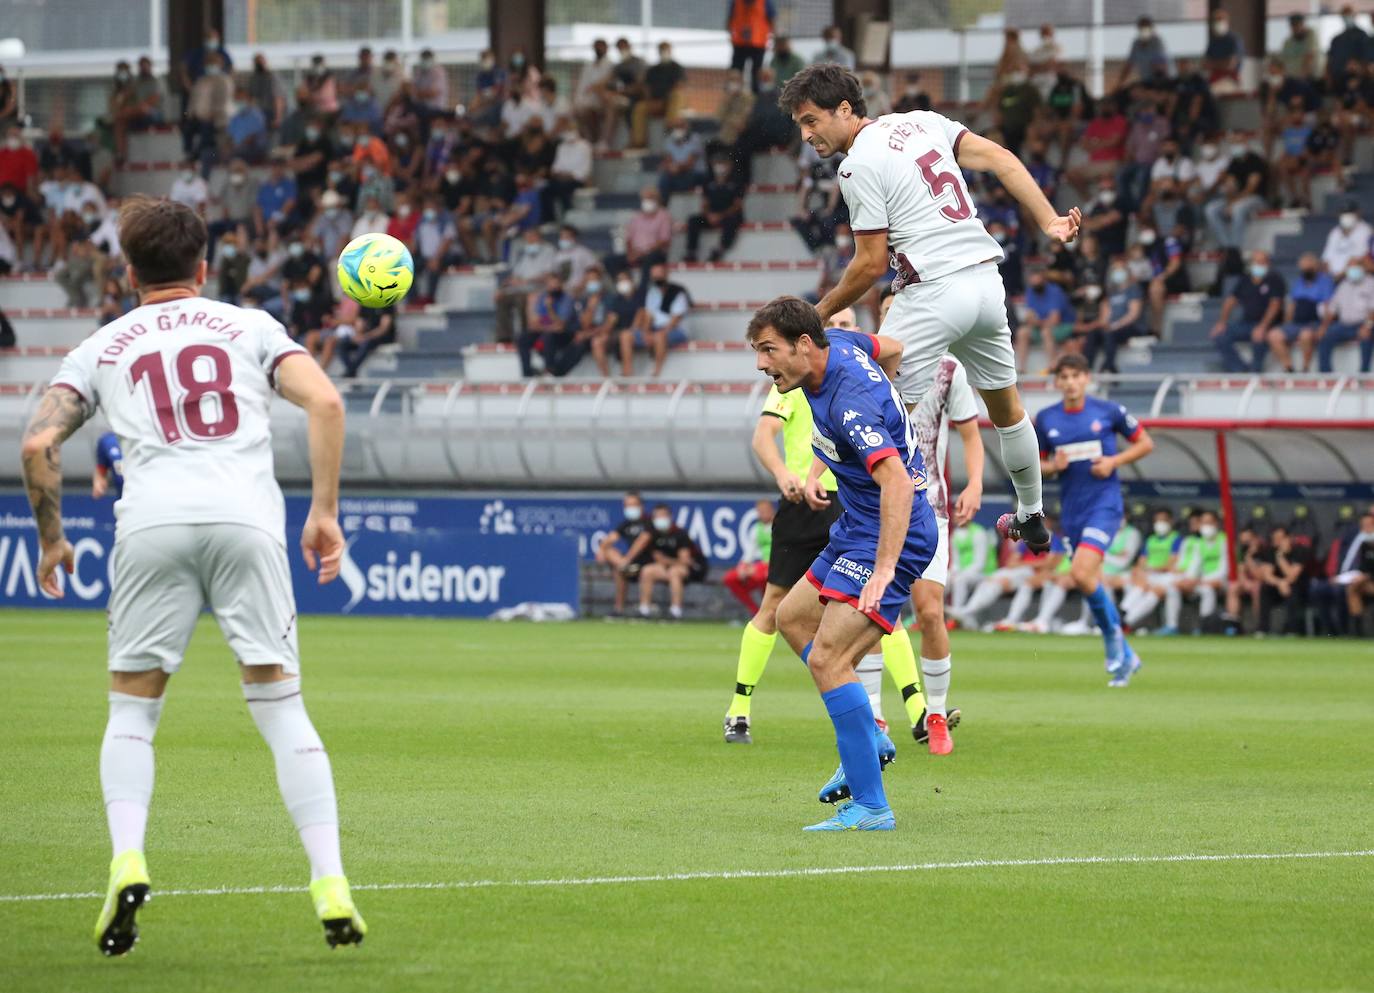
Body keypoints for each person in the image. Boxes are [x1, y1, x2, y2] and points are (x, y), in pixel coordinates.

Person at [18, 196, 364, 954]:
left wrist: (52, 540)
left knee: (133, 713)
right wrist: (324, 512)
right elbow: (327, 402)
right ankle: (330, 880)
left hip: (150, 526)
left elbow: (39, 442)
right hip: (244, 520)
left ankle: (128, 854)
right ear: (203, 267)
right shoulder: (250, 327)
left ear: (129, 272)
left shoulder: (103, 346)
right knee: (280, 708)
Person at [779, 63, 1082, 556]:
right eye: (800, 126)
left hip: (932, 291)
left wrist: (815, 314)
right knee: (1007, 410)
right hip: (986, 281)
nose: (807, 134)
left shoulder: (856, 166)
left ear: (844, 109)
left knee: (867, 404)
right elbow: (1002, 159)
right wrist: (1049, 220)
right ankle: (1030, 513)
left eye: (812, 121)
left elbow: (870, 264)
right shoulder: (922, 121)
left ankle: (872, 532)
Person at [747, 296, 937, 832]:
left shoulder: (847, 405)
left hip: (887, 532)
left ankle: (873, 806)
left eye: (768, 351)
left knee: (829, 660)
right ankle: (869, 736)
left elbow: (897, 481)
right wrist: (895, 398)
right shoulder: (848, 344)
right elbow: (894, 348)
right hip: (855, 525)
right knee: (791, 618)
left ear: (805, 344)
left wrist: (883, 568)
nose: (762, 364)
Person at [1034, 354, 1153, 684]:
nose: (1071, 382)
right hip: (1072, 511)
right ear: (1057, 382)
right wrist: (1052, 466)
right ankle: (1125, 653)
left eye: (1076, 375)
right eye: (1065, 376)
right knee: (1089, 581)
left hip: (1105, 505)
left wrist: (1114, 461)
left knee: (1080, 573)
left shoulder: (1108, 412)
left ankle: (1115, 645)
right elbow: (1031, 463)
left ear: (1087, 378)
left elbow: (1145, 443)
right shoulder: (1046, 419)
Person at [1210, 250, 1286, 374]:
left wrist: (1263, 326)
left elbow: (1275, 305)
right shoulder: (1245, 280)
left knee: (1260, 337)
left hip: (1269, 324)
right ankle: (1240, 369)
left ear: (1268, 264)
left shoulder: (1274, 280)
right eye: (1256, 262)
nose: (1259, 265)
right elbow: (1230, 301)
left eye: (1262, 262)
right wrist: (1222, 322)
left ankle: (1256, 370)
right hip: (1247, 323)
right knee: (1220, 335)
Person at [633, 505, 708, 619]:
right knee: (647, 571)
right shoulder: (654, 535)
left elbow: (685, 561)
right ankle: (644, 610)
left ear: (670, 517)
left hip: (692, 568)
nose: (660, 519)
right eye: (657, 516)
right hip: (666, 567)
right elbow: (657, 557)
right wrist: (663, 561)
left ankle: (675, 611)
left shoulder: (680, 534)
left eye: (663, 516)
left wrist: (666, 561)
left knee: (674, 572)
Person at [1162, 509, 1228, 635]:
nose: (1206, 526)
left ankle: (1205, 626)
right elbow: (1194, 566)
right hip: (1202, 581)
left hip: (1222, 581)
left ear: (1216, 524)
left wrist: (1199, 581)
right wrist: (1189, 580)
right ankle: (1171, 626)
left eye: (1209, 523)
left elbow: (1224, 570)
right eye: (1203, 523)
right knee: (1173, 588)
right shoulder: (1199, 543)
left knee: (1208, 589)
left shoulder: (1224, 540)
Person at [620, 262, 690, 377]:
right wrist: (645, 332)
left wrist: (656, 334)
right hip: (655, 329)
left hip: (676, 330)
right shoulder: (652, 292)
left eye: (659, 274)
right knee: (625, 335)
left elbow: (675, 320)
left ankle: (657, 372)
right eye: (654, 275)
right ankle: (627, 372)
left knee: (659, 336)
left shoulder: (677, 292)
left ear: (666, 274)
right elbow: (648, 315)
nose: (657, 278)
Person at [1120, 507, 1183, 631]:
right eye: (1157, 521)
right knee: (1139, 585)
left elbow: (1171, 564)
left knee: (1154, 592)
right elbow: (1141, 562)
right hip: (1150, 575)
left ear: (1171, 522)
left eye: (1163, 520)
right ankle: (1121, 612)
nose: (1160, 524)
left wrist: (1150, 569)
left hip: (1168, 576)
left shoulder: (1177, 539)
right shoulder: (1151, 539)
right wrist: (1141, 571)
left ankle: (1127, 622)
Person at [595, 492, 655, 615]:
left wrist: (627, 559)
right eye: (627, 506)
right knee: (614, 560)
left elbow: (641, 543)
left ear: (641, 506)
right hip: (631, 567)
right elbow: (610, 539)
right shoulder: (626, 523)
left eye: (633, 505)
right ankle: (619, 609)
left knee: (637, 570)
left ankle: (644, 610)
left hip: (648, 564)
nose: (630, 509)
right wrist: (601, 550)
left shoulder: (649, 522)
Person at [1274, 254, 1334, 373]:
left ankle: (1305, 368)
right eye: (1303, 268)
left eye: (1308, 268)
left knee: (1305, 335)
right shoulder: (1299, 281)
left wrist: (1324, 327)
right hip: (1297, 322)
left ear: (1315, 267)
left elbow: (1329, 307)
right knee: (1273, 335)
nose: (1305, 270)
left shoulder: (1325, 281)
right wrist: (1287, 323)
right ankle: (1288, 367)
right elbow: (1292, 304)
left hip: (1314, 321)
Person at [1316, 257, 1374, 374]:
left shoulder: (1371, 283)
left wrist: (1367, 326)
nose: (1353, 270)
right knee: (1325, 336)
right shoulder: (1344, 285)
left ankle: (1363, 373)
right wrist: (1323, 327)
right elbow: (1333, 309)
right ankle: (1325, 373)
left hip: (1365, 323)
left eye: (1355, 266)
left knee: (1366, 336)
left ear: (1363, 268)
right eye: (1350, 267)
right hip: (1344, 325)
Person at [517, 272, 578, 377]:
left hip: (565, 334)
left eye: (555, 284)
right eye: (550, 284)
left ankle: (549, 369)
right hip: (547, 329)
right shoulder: (543, 297)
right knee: (523, 338)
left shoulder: (567, 299)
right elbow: (535, 322)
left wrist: (550, 309)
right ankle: (527, 372)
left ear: (561, 285)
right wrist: (549, 324)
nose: (553, 287)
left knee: (548, 337)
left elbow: (561, 324)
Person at [685, 158, 744, 263]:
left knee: (732, 221)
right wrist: (708, 215)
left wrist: (720, 215)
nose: (720, 167)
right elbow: (705, 203)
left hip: (728, 215)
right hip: (711, 215)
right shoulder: (708, 182)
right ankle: (691, 251)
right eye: (717, 163)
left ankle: (719, 249)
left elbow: (737, 205)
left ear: (729, 166)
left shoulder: (736, 181)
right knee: (693, 220)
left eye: (723, 163)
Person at [723, 500, 775, 614]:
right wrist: (743, 567)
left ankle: (768, 612)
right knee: (730, 578)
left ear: (772, 511)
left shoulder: (780, 526)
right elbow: (749, 552)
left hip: (777, 565)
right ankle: (755, 611)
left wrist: (760, 568)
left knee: (763, 577)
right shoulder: (756, 529)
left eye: (766, 511)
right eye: (760, 511)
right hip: (762, 566)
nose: (763, 514)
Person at [630, 43, 685, 148]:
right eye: (662, 50)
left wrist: (664, 101)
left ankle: (670, 125)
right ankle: (639, 142)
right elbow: (646, 88)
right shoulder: (653, 70)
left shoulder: (677, 68)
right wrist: (650, 100)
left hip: (671, 103)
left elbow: (679, 86)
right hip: (655, 102)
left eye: (666, 50)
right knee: (639, 107)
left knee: (677, 95)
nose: (664, 52)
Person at [727, 0, 775, 91]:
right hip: (739, 43)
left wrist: (773, 38)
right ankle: (735, 93)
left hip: (758, 43)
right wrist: (731, 34)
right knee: (736, 72)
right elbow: (730, 19)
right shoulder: (736, 2)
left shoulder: (765, 2)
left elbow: (772, 20)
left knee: (757, 74)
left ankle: (756, 95)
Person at [92, 431, 124, 501]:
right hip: (123, 501)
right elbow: (101, 470)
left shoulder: (149, 439)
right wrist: (99, 482)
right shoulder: (108, 441)